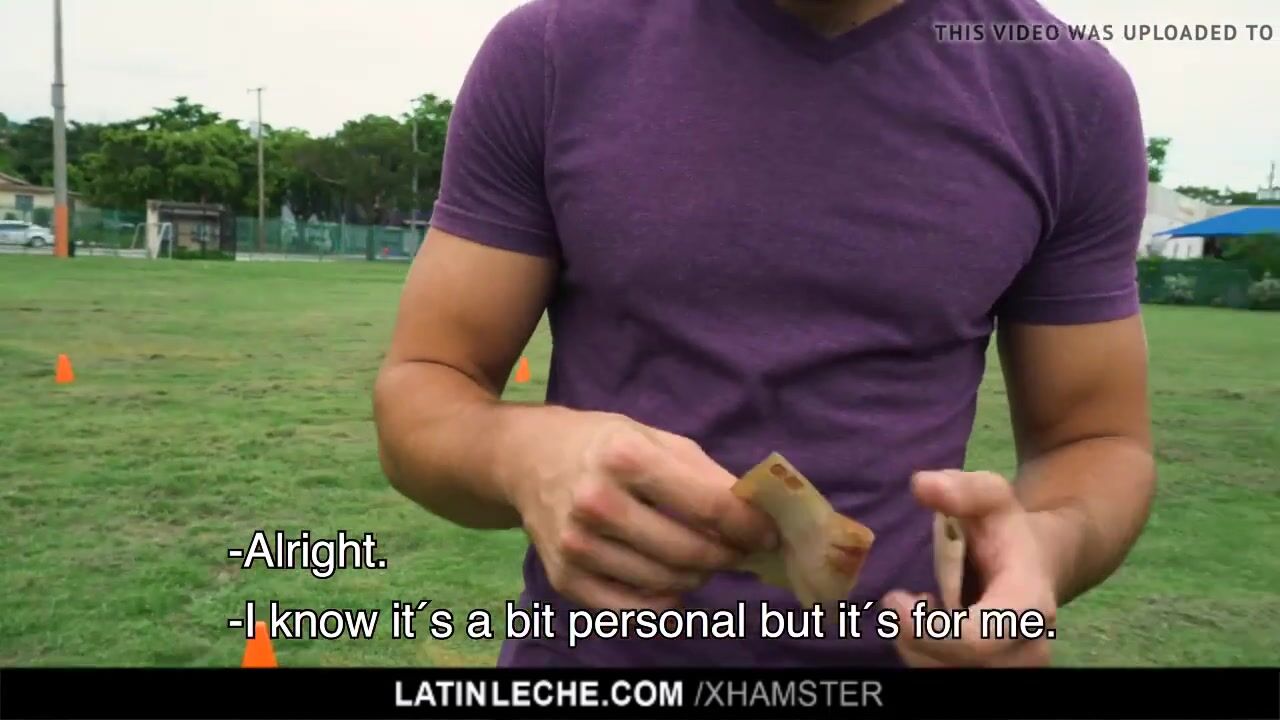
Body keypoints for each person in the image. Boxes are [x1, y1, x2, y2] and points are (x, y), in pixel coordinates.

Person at [373, 0, 1156, 668]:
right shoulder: (553, 48)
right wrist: (520, 457)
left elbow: (1097, 441)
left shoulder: (1067, 94)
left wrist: (1043, 552)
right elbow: (426, 384)